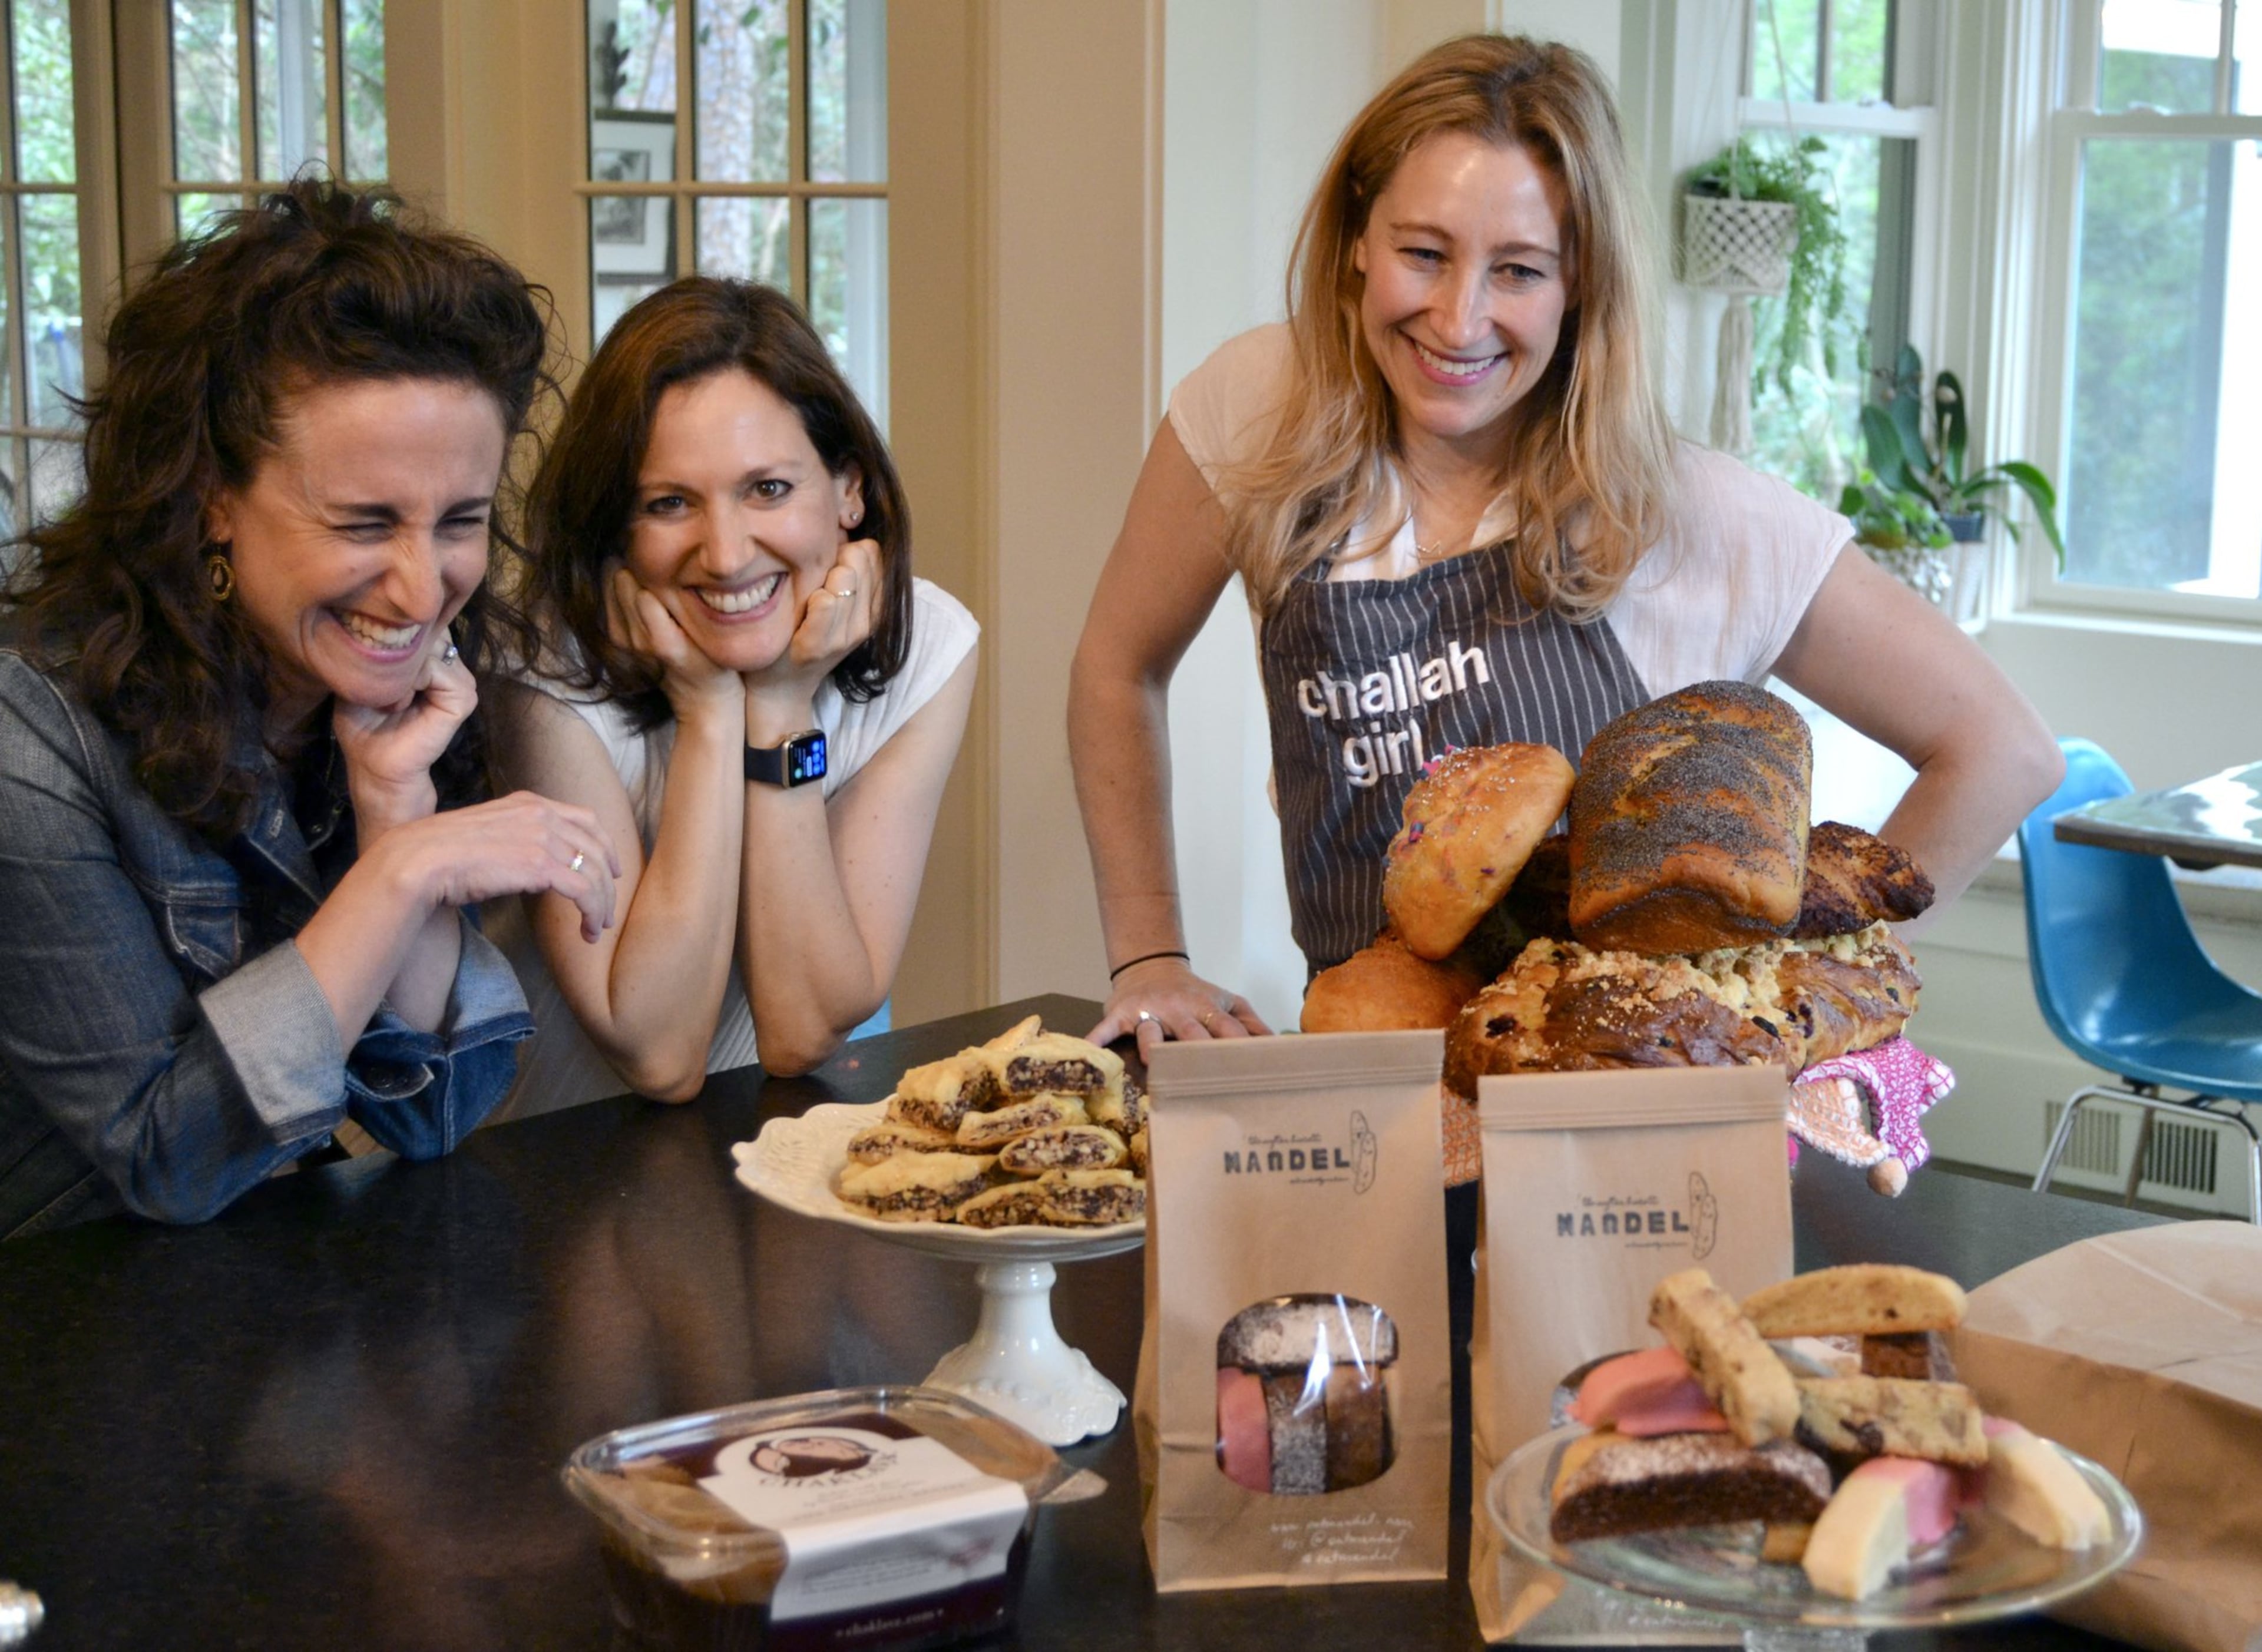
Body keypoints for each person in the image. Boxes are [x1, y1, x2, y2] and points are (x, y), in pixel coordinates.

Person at [1069, 35, 2062, 1120]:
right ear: (1357, 236)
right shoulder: (1264, 405)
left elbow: (2002, 750)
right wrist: (1148, 956)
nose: (1457, 320)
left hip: (1619, 1145)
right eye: (1423, 252)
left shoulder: (1691, 509)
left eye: (1519, 270)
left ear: (1580, 279)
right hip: (1367, 1106)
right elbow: (1118, 666)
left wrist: (1814, 993)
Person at [0, 182, 619, 1239]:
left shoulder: (382, 690)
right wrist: (403, 871)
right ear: (209, 498)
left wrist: (392, 806)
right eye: (365, 521)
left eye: (461, 520)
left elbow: (438, 1113)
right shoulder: (34, 730)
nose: (424, 592)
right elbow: (164, 1157)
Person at [493, 278, 976, 1111]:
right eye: (669, 503)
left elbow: (803, 1027)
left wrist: (782, 708)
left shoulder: (929, 645)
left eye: (768, 489)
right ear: (616, 527)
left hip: (747, 1164)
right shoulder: (536, 670)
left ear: (849, 491)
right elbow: (657, 1051)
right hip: (531, 1181)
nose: (724, 554)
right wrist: (711, 713)